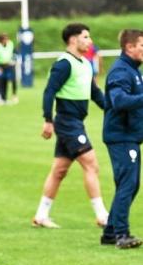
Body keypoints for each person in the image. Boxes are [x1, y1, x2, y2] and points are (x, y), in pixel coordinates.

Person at [32, 23, 108, 229]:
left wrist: (111, 109)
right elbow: (49, 91)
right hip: (68, 122)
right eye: (86, 37)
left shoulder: (84, 63)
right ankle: (102, 216)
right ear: (73, 40)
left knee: (59, 170)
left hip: (76, 122)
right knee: (91, 164)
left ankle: (41, 215)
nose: (90, 41)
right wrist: (48, 119)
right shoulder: (64, 64)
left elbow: (95, 92)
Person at [100, 29, 143, 249]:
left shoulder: (133, 70)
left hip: (130, 136)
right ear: (129, 47)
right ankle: (121, 234)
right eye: (142, 45)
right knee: (128, 184)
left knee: (130, 185)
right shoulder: (121, 71)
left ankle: (110, 232)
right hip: (121, 136)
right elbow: (119, 100)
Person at [0, 33, 18, 105]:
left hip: (8, 66)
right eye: (5, 39)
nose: (6, 40)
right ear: (1, 40)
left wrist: (14, 60)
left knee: (6, 81)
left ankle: (4, 98)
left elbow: (14, 53)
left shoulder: (10, 44)